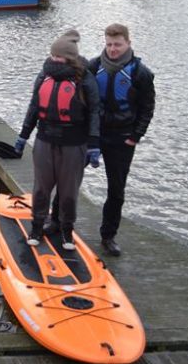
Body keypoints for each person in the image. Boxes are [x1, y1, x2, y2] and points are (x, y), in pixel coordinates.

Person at [13, 33, 100, 250]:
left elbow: (95, 113)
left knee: (68, 191)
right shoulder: (44, 75)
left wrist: (94, 144)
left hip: (73, 143)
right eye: (52, 54)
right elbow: (34, 107)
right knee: (41, 188)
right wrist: (23, 135)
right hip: (45, 140)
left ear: (69, 58)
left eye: (58, 56)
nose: (54, 59)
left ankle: (66, 230)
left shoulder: (85, 78)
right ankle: (36, 226)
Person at [87, 23, 155, 256]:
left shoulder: (140, 72)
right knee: (70, 176)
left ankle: (108, 236)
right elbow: (82, 99)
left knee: (116, 190)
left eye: (117, 44)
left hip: (122, 138)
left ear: (128, 43)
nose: (113, 49)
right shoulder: (93, 66)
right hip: (95, 135)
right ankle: (57, 221)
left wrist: (136, 136)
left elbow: (147, 107)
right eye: (109, 44)